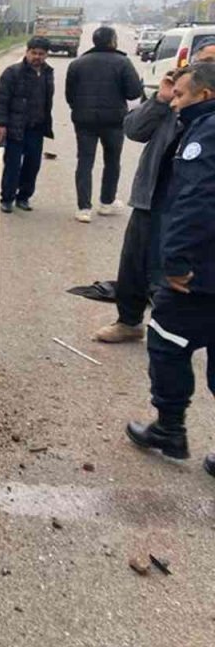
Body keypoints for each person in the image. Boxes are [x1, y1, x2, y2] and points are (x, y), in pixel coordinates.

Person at [125, 61, 215, 476]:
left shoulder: (206, 133)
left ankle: (170, 428)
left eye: (181, 95)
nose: (175, 102)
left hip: (199, 274)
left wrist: (175, 263)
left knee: (166, 343)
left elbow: (194, 203)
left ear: (205, 96)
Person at [95, 42, 215, 343]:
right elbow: (134, 129)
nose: (205, 66)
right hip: (151, 196)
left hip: (189, 206)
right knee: (134, 263)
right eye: (202, 60)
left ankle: (175, 332)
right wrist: (161, 99)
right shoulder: (175, 98)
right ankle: (129, 320)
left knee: (176, 269)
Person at [65, 26, 144, 223]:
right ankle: (106, 202)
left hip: (84, 121)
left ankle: (83, 208)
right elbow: (134, 93)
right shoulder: (123, 62)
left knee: (84, 161)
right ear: (113, 41)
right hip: (114, 121)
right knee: (112, 161)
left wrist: (81, 108)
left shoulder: (78, 63)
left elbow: (70, 95)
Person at [0, 37, 55, 213]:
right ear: (27, 52)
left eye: (41, 54)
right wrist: (1, 124)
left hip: (37, 127)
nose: (37, 57)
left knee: (32, 164)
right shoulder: (12, 72)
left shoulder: (48, 73)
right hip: (15, 127)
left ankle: (24, 197)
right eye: (33, 53)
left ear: (46, 55)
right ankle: (7, 198)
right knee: (12, 165)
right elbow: (0, 100)